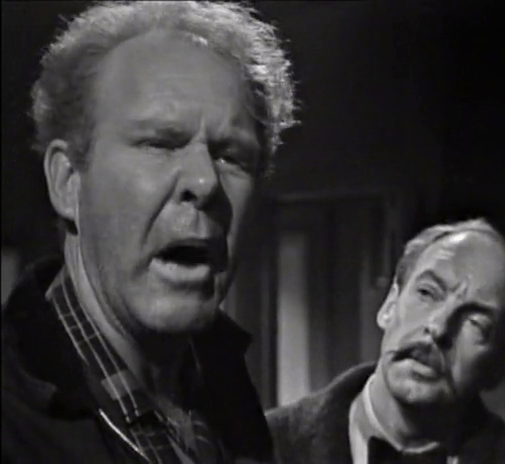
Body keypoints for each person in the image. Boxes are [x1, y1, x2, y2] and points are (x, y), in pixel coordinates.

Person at [1, 1, 296, 463]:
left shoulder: (225, 388)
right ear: (67, 182)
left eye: (231, 156)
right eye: (160, 144)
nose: (205, 182)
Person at [267, 219, 505, 464]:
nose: (438, 327)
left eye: (475, 322)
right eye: (427, 293)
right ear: (389, 305)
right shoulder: (260, 448)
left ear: (498, 368)